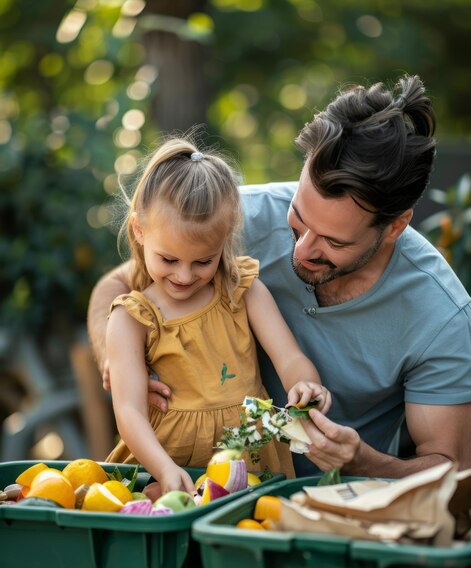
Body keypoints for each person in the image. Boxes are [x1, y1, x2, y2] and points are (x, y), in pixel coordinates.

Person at [88, 74, 471, 479]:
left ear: (395, 227)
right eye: (299, 218)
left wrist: (361, 461)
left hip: (328, 504)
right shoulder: (226, 222)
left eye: (333, 242)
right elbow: (116, 287)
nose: (301, 249)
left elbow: (454, 472)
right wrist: (116, 359)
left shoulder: (439, 317)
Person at [102, 136, 331, 495]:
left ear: (224, 241)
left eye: (203, 261)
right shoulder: (133, 318)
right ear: (139, 231)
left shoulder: (243, 291)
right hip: (167, 459)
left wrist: (305, 385)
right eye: (169, 259)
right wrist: (164, 467)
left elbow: (290, 358)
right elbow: (129, 410)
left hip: (248, 458)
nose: (184, 275)